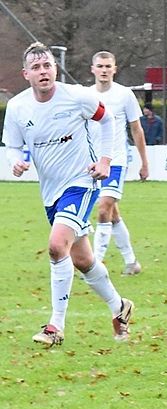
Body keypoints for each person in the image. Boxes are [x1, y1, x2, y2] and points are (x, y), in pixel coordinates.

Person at [2, 42, 135, 347]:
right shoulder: (18, 107)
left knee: (56, 245)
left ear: (55, 68)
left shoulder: (76, 97)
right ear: (26, 74)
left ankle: (55, 326)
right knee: (83, 260)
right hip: (51, 193)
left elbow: (107, 120)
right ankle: (120, 307)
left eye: (47, 65)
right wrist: (16, 161)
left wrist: (105, 160)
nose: (43, 71)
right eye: (36, 67)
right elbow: (12, 146)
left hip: (82, 182)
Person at [89, 50, 147, 276]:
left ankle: (96, 264)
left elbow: (136, 129)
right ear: (93, 69)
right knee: (113, 214)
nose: (104, 70)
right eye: (100, 66)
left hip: (116, 161)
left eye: (107, 66)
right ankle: (131, 262)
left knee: (103, 208)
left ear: (114, 69)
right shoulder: (85, 95)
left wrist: (144, 162)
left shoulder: (125, 95)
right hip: (91, 163)